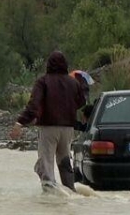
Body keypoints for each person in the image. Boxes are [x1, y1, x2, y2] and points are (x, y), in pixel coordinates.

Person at [10, 51, 85, 192]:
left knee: (46, 164)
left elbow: (34, 105)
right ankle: (70, 191)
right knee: (64, 162)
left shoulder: (43, 81)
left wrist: (20, 122)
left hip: (48, 128)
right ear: (65, 65)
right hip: (68, 129)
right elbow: (81, 101)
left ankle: (50, 196)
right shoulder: (73, 82)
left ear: (48, 65)